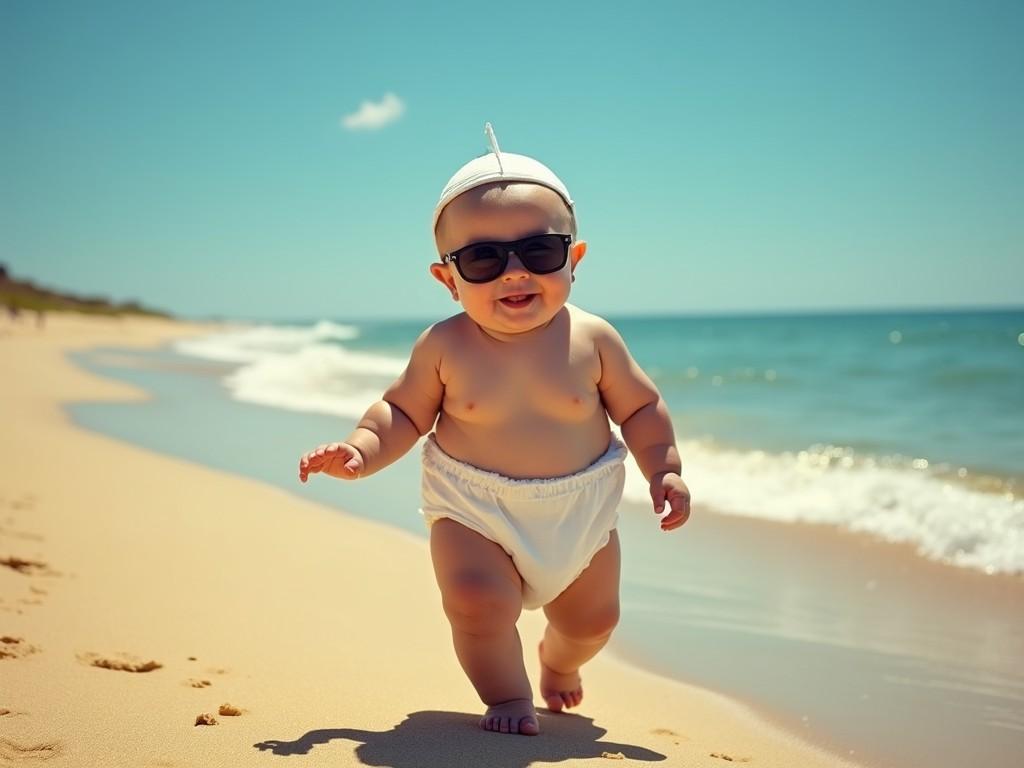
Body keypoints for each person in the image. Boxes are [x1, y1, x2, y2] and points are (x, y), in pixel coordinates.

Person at [298, 124, 690, 736]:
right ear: (447, 279)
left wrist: (663, 469)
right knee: (476, 604)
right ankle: (507, 695)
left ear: (574, 259)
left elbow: (640, 409)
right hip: (473, 505)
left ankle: (558, 665)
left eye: (539, 252)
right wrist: (359, 450)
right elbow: (401, 413)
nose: (514, 273)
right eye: (483, 258)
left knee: (591, 622)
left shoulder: (594, 340)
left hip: (578, 509)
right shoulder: (444, 345)